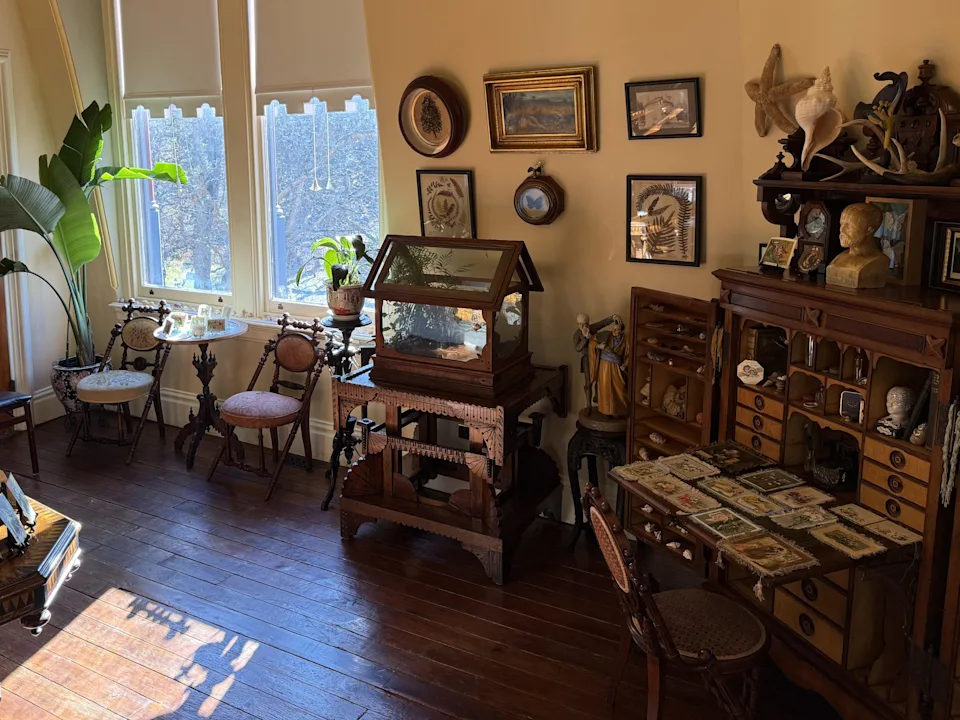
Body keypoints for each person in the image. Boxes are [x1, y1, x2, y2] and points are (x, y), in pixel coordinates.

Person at [573, 313, 613, 413]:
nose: (583, 327)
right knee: (588, 382)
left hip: (597, 355)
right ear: (578, 325)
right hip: (587, 358)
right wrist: (585, 339)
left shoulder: (592, 328)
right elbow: (577, 348)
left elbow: (603, 323)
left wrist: (613, 317)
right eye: (581, 325)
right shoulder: (577, 335)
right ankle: (588, 406)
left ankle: (598, 398)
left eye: (585, 324)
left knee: (600, 378)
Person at [591, 315, 629, 417]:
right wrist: (598, 346)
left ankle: (619, 410)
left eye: (617, 330)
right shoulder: (607, 336)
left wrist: (625, 365)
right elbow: (593, 341)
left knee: (620, 388)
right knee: (605, 387)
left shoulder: (626, 340)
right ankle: (606, 410)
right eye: (614, 330)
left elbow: (630, 354)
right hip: (605, 366)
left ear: (621, 330)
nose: (615, 332)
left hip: (617, 366)